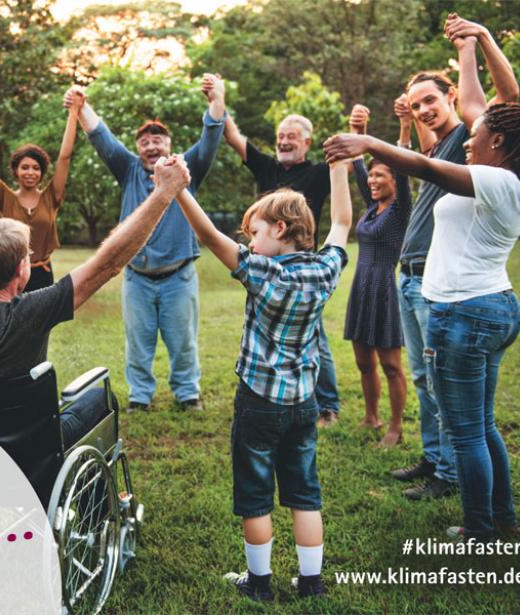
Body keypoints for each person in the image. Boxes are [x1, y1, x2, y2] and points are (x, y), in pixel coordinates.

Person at [0, 120, 192, 447]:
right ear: (23, 271)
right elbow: (109, 262)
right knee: (100, 400)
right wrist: (164, 193)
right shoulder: (34, 311)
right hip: (30, 450)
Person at [172, 159, 352, 600]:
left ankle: (260, 583)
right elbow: (343, 221)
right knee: (304, 492)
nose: (249, 240)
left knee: (255, 493)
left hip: (258, 402)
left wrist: (178, 190)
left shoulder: (262, 271)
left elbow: (207, 236)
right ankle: (311, 584)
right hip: (303, 404)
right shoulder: (325, 269)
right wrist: (340, 168)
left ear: (282, 229)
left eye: (255, 232)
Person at [380, 15, 518, 500]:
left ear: (453, 102)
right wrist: (404, 119)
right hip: (414, 275)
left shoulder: (472, 141)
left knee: (450, 396)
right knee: (425, 381)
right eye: (416, 105)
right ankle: (436, 458)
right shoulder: (450, 148)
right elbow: (420, 152)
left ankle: (453, 476)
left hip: (451, 294)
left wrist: (471, 45)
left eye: (431, 101)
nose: (423, 110)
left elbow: (502, 100)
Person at [66, 75, 227, 412]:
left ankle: (187, 395)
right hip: (137, 277)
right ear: (138, 149)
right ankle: (140, 397)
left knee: (183, 343)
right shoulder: (128, 170)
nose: (151, 146)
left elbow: (212, 135)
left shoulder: (187, 169)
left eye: (158, 140)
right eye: (145, 142)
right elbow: (101, 137)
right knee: (138, 344)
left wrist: (217, 98)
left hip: (178, 277)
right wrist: (82, 107)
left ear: (169, 145)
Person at [222, 94, 341, 427]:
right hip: (265, 264)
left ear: (306, 142)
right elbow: (233, 137)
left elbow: (344, 199)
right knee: (267, 329)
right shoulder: (267, 166)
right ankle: (270, 389)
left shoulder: (318, 173)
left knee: (314, 334)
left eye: (291, 137)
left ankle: (327, 404)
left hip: (302, 266)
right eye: (281, 136)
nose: (284, 141)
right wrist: (218, 101)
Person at [0, 91, 83, 291]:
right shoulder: (5, 197)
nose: (30, 172)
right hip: (9, 273)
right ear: (16, 172)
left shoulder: (52, 197)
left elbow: (64, 157)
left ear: (42, 173)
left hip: (42, 273)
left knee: (41, 322)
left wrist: (73, 112)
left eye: (36, 168)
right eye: (24, 167)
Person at [344, 103, 411, 447]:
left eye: (379, 175)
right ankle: (371, 417)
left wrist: (403, 126)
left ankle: (396, 428)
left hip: (385, 288)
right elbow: (356, 166)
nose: (372, 180)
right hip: (361, 288)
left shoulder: (400, 209)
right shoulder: (372, 208)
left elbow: (401, 163)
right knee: (363, 361)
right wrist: (359, 131)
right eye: (371, 176)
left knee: (390, 365)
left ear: (394, 181)